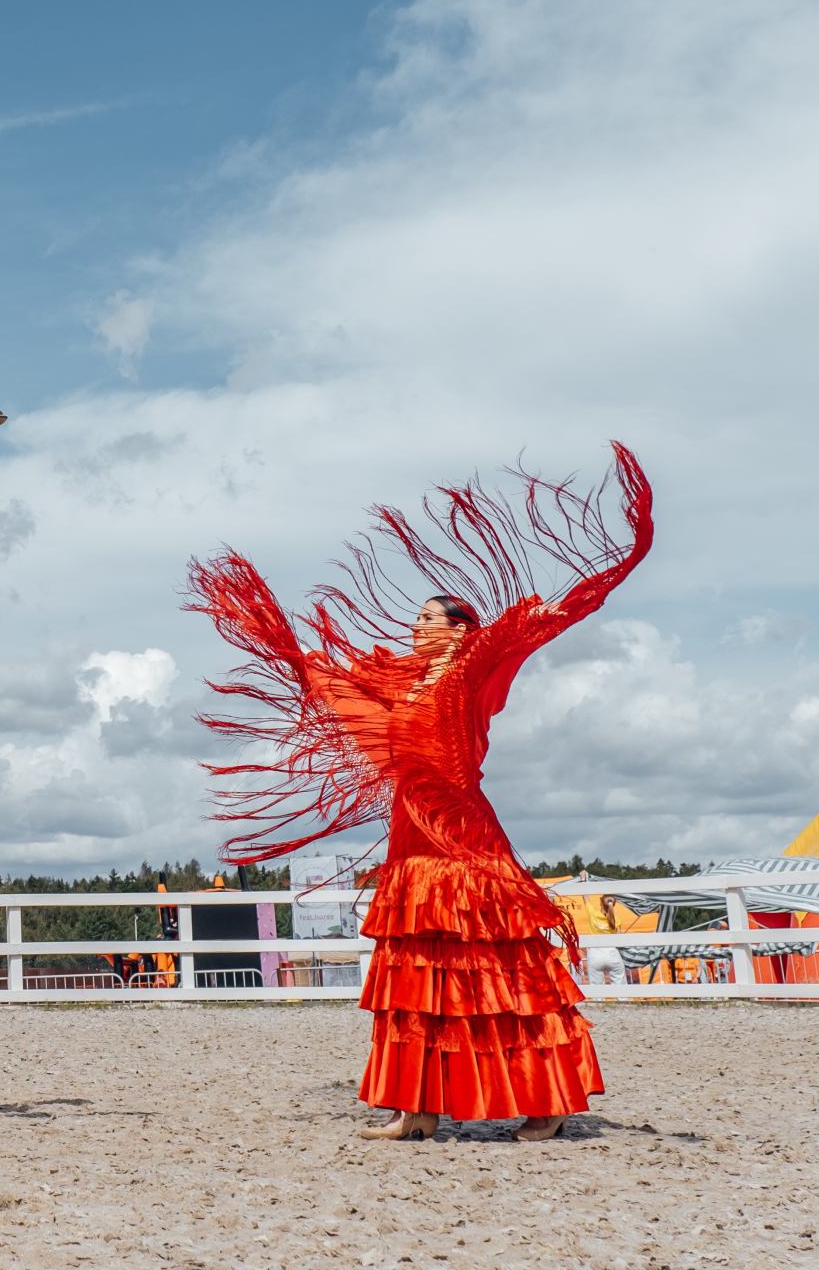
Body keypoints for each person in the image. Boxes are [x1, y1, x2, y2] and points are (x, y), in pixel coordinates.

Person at [185, 444, 653, 1143]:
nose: (416, 627)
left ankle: (545, 1103)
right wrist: (289, 651)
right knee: (415, 976)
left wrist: (603, 575)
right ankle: (418, 1109)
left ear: (459, 631)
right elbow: (346, 692)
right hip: (413, 836)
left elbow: (528, 629)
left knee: (497, 970)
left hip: (460, 836)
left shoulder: (471, 669)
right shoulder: (403, 684)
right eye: (419, 619)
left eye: (429, 619)